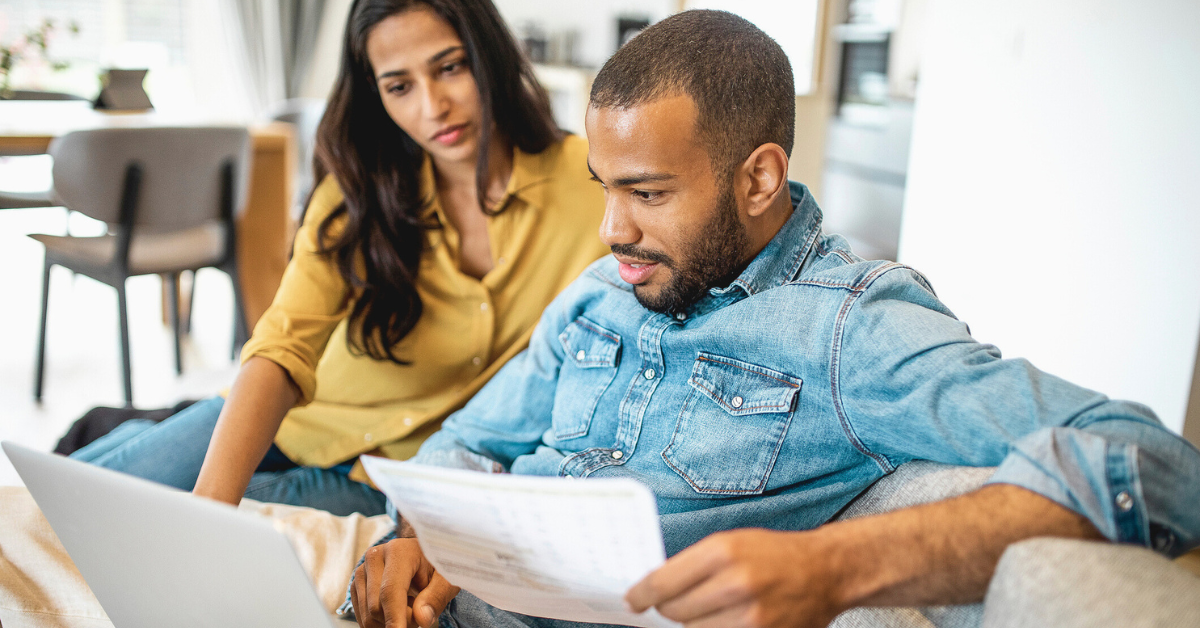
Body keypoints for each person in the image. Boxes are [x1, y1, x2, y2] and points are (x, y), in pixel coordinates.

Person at [346, 9, 1200, 628]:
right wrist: (418, 532)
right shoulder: (605, 293)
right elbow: (466, 441)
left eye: (646, 194)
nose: (613, 231)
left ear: (758, 179)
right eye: (605, 189)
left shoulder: (849, 328)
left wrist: (833, 566)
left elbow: (1155, 461)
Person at [67, 0, 609, 517]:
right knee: (64, 508)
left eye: (451, 67)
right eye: (399, 86)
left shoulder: (594, 182)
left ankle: (134, 438)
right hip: (289, 420)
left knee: (144, 521)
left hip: (397, 476)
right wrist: (212, 503)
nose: (432, 106)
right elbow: (282, 344)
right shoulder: (358, 192)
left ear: (489, 54)